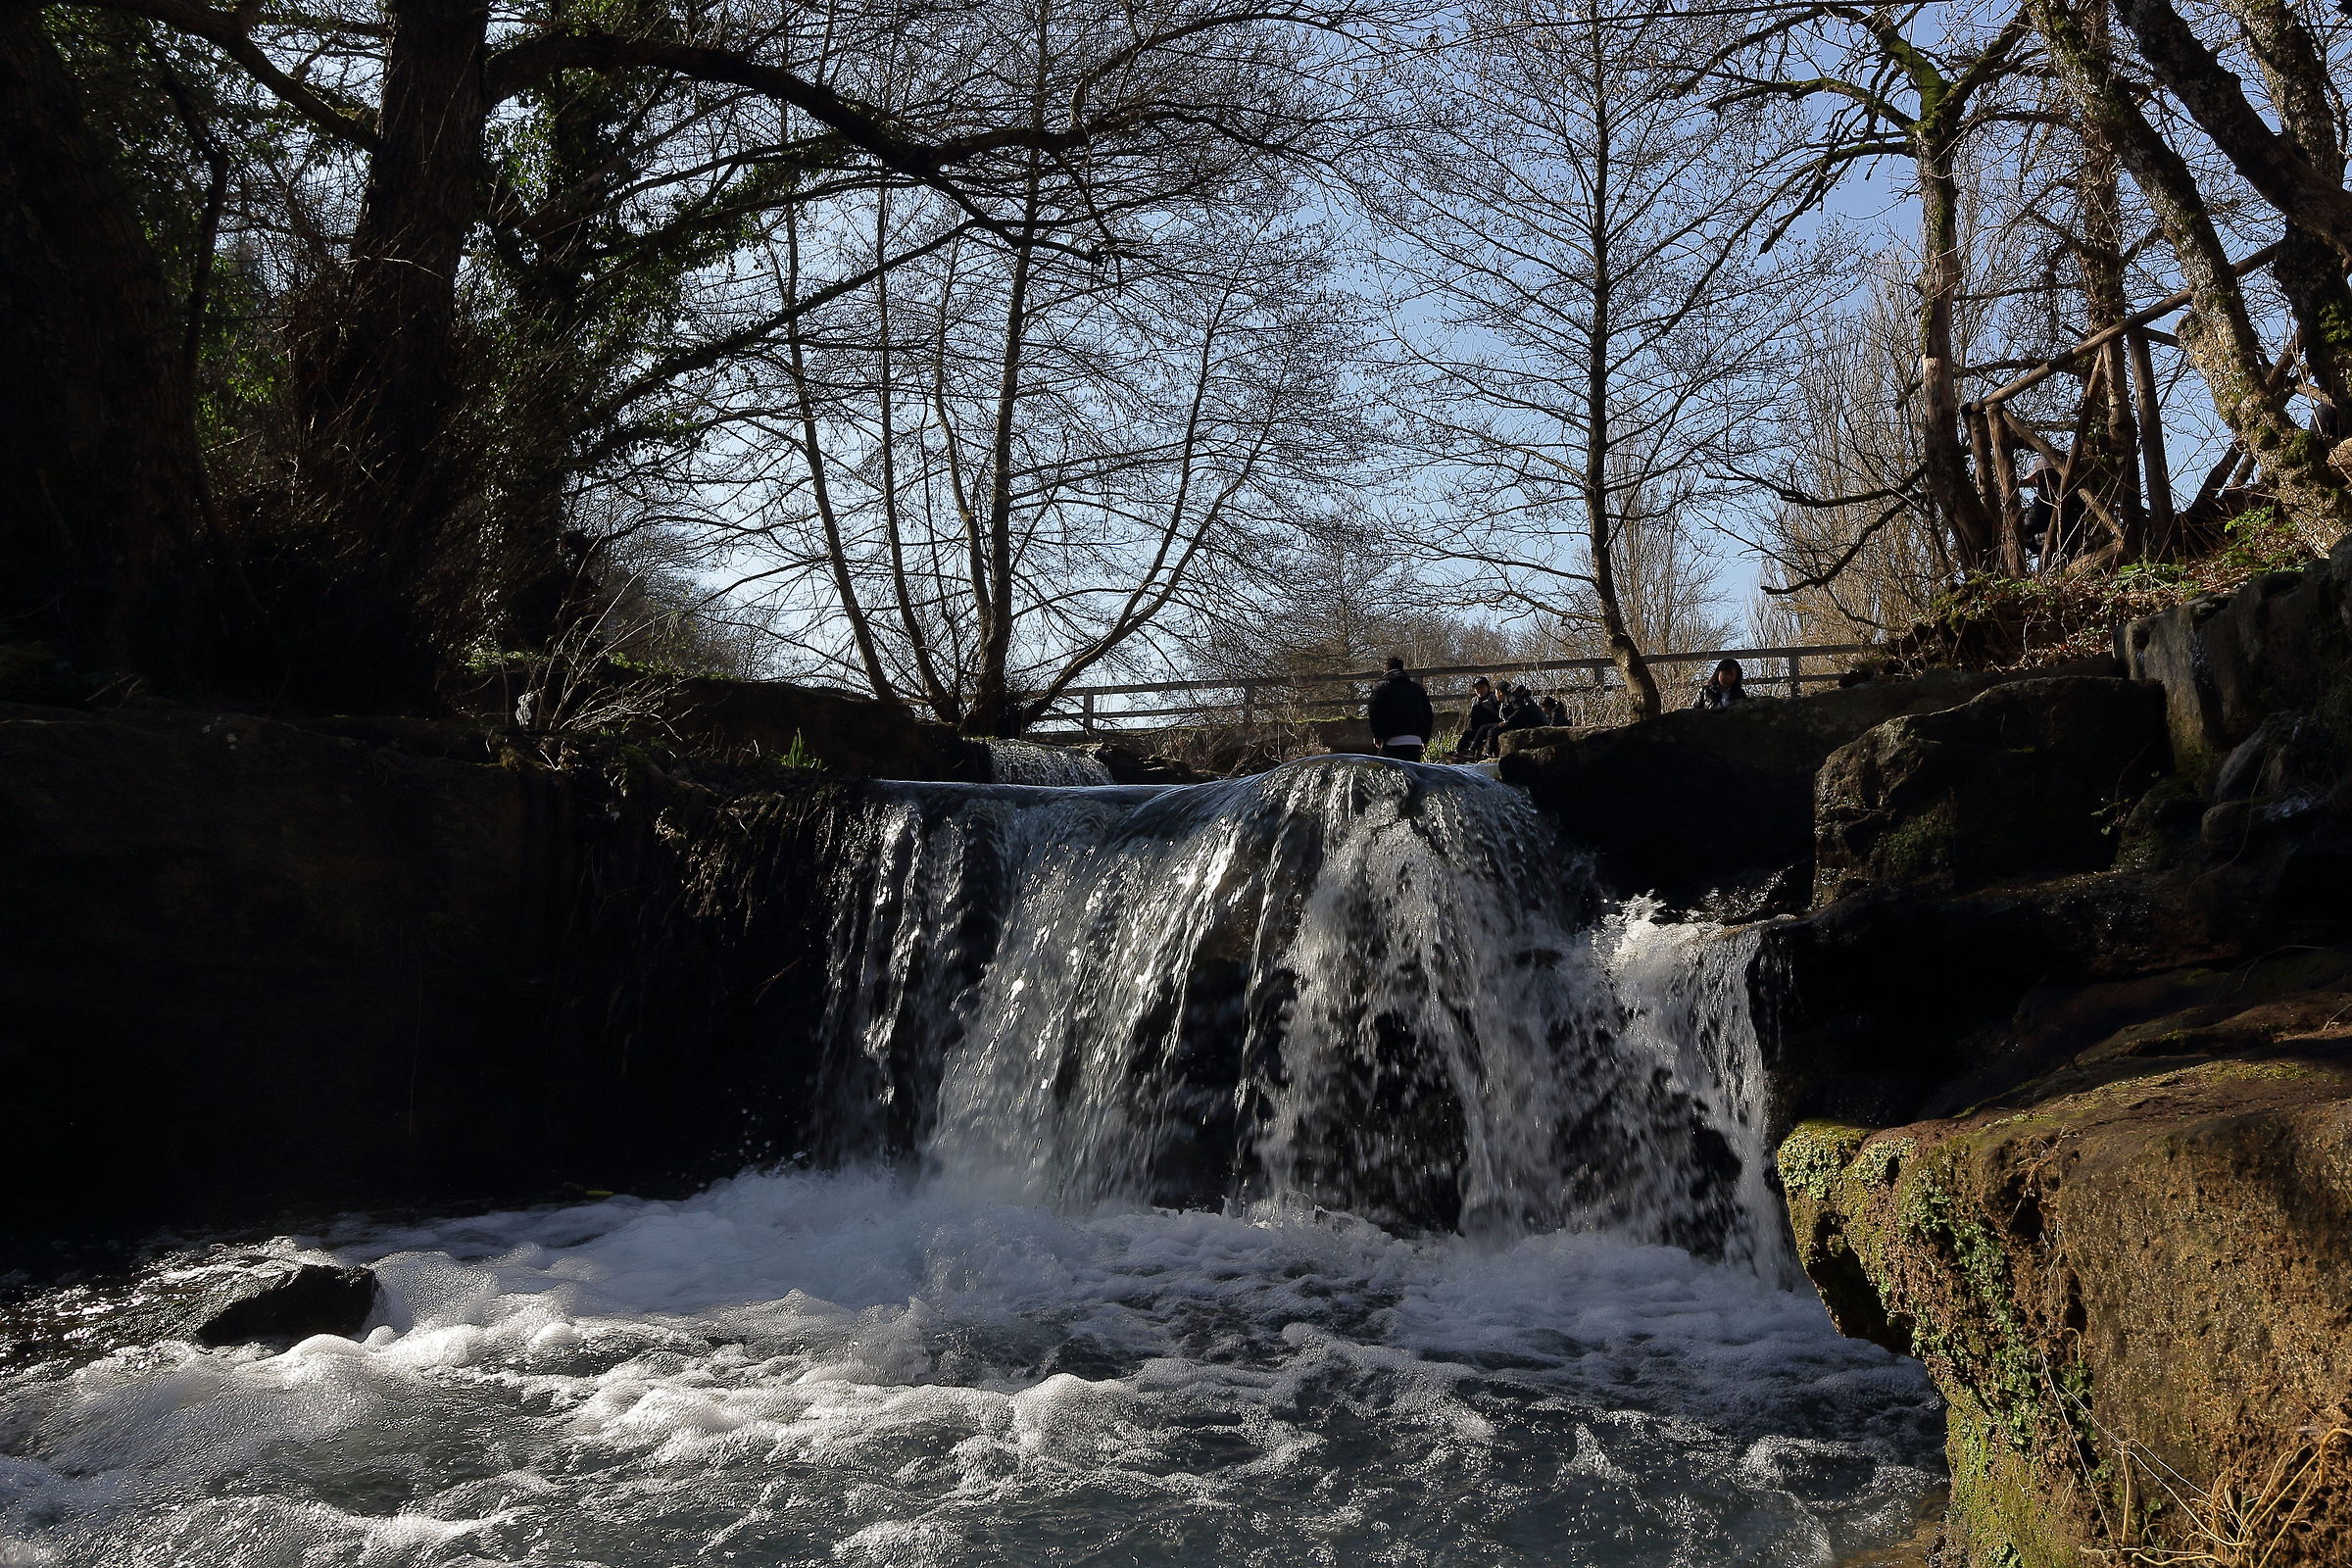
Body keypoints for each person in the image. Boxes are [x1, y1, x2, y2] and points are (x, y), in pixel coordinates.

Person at [1366, 657, 1435, 761]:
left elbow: (1374, 712)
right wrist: (1424, 739)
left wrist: (1376, 735)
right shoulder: (1418, 689)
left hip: (1391, 741)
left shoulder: (1380, 688)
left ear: (1385, 671)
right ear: (1402, 669)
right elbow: (1428, 715)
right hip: (1415, 742)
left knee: (1383, 773)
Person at [1451, 676, 1502, 760]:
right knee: (1467, 733)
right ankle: (1459, 751)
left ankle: (1472, 751)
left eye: (1481, 687)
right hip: (1478, 728)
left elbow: (1500, 713)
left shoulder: (1492, 697)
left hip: (1491, 724)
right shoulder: (1474, 700)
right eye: (1477, 688)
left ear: (1487, 687)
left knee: (1478, 708)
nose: (1479, 690)